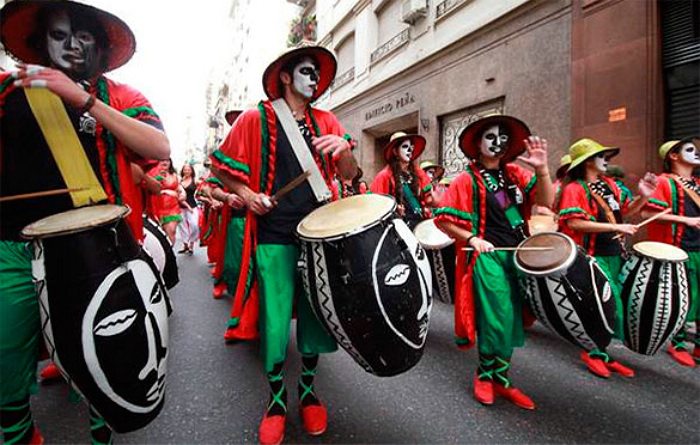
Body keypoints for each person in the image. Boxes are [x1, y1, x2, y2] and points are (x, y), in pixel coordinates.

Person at [0, 1, 169, 443]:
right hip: (12, 248)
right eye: (59, 36)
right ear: (38, 45)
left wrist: (84, 100)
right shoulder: (7, 90)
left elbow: (158, 147)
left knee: (104, 364)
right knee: (3, 366)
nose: (72, 46)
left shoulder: (121, 96)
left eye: (84, 37)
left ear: (99, 46)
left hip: (94, 253)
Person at [209, 46, 356, 445]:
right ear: (287, 77)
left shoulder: (327, 120)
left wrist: (344, 151)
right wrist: (248, 193)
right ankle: (276, 398)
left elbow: (351, 174)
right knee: (274, 322)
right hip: (274, 233)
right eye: (307, 72)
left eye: (318, 75)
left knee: (315, 316)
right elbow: (221, 172)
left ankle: (308, 390)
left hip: (319, 233)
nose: (315, 80)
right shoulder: (256, 119)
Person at [434, 115, 553, 410]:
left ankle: (502, 377)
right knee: (496, 315)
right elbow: (443, 221)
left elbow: (546, 201)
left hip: (518, 254)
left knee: (514, 317)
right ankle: (484, 374)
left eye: (502, 137)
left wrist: (542, 169)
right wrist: (472, 238)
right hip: (487, 256)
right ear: (477, 144)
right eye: (490, 136)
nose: (497, 142)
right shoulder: (465, 180)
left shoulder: (515, 174)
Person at [558, 138, 656, 379]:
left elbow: (627, 211)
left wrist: (643, 197)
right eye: (601, 157)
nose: (606, 161)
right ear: (587, 161)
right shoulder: (574, 189)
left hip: (615, 256)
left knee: (611, 307)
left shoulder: (610, 185)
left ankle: (601, 353)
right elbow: (574, 223)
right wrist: (618, 228)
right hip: (590, 258)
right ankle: (593, 353)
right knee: (607, 307)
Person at [642, 137, 700, 367]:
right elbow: (648, 214)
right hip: (680, 249)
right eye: (689, 150)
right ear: (673, 156)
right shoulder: (663, 182)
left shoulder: (697, 182)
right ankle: (677, 343)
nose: (696, 152)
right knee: (684, 298)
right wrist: (687, 220)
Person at [370, 132, 433, 229]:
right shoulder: (384, 176)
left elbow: (429, 198)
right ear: (395, 152)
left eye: (411, 146)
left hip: (421, 223)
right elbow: (378, 208)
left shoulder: (418, 173)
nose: (410, 150)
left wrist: (427, 207)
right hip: (399, 228)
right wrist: (395, 211)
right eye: (405, 146)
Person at [154, 158, 182, 243]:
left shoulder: (174, 175)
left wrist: (181, 193)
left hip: (172, 208)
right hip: (156, 207)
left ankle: (170, 253)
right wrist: (165, 191)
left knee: (171, 231)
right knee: (160, 235)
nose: (165, 162)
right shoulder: (153, 173)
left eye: (167, 160)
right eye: (162, 160)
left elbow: (179, 189)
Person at [177, 163, 200, 254]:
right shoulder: (179, 181)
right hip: (180, 206)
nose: (186, 171)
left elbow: (202, 191)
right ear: (182, 171)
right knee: (182, 226)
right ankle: (185, 245)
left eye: (188, 170)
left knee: (194, 225)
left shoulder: (195, 181)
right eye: (185, 169)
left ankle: (191, 244)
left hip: (193, 206)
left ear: (192, 171)